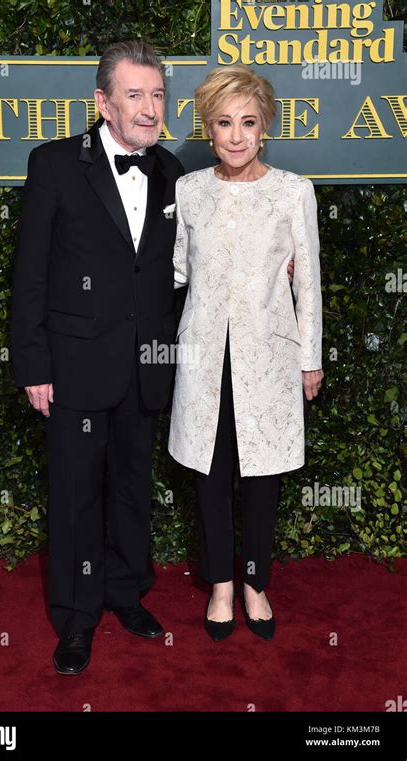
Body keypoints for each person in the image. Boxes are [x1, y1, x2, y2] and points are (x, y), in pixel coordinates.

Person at [10, 41, 185, 675]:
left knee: (134, 489)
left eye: (157, 94)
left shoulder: (172, 172)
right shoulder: (56, 164)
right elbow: (29, 272)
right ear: (103, 102)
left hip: (146, 365)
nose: (148, 107)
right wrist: (33, 363)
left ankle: (124, 592)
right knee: (77, 494)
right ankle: (76, 619)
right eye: (134, 94)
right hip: (75, 365)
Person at [168, 64, 324, 642]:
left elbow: (307, 280)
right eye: (224, 123)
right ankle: (220, 586)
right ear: (209, 129)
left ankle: (255, 582)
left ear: (265, 129)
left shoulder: (292, 192)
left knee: (262, 476)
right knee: (211, 473)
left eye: (248, 122)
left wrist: (310, 356)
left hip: (271, 357)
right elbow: (179, 269)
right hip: (205, 357)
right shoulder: (189, 191)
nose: (236, 135)